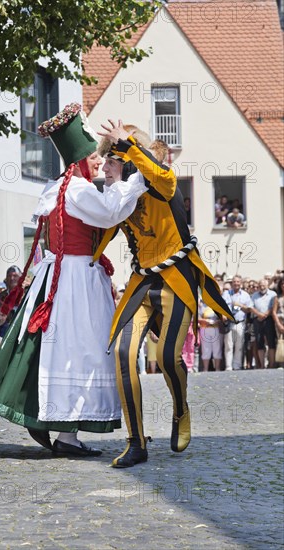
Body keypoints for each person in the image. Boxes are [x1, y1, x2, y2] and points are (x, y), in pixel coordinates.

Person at [0, 103, 148, 457]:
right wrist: (139, 177)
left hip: (61, 276)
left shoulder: (60, 188)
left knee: (59, 351)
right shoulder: (78, 190)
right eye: (95, 160)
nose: (99, 164)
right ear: (81, 161)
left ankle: (58, 430)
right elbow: (112, 210)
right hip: (74, 281)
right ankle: (62, 432)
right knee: (79, 352)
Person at [97, 120, 234, 467]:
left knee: (171, 357)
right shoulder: (120, 199)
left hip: (176, 277)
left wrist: (127, 144)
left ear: (128, 159)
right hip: (142, 281)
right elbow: (97, 240)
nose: (104, 167)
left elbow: (166, 178)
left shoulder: (159, 181)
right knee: (124, 355)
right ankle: (136, 441)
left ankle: (181, 410)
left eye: (110, 160)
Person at [222, 275, 253, 370]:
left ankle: (237, 365)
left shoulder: (245, 295)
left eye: (238, 282)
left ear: (241, 283)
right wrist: (223, 315)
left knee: (239, 346)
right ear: (232, 283)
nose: (236, 283)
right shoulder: (226, 294)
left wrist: (239, 305)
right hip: (229, 323)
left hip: (240, 323)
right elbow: (221, 307)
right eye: (234, 282)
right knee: (228, 346)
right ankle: (228, 366)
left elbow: (249, 309)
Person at [251, 279, 277, 368]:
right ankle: (262, 365)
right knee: (259, 342)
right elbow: (251, 307)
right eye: (260, 285)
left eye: (263, 286)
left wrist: (265, 314)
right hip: (257, 320)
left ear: (267, 285)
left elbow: (274, 306)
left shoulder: (273, 294)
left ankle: (271, 364)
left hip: (269, 319)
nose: (262, 287)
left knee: (271, 342)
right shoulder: (254, 295)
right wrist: (259, 314)